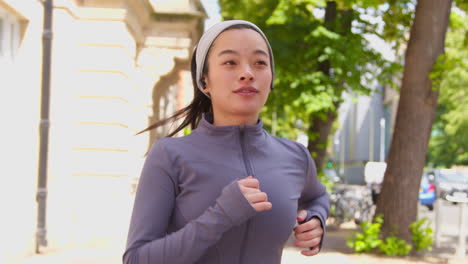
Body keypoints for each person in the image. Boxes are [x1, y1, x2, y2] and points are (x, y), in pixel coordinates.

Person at [123, 20, 330, 264]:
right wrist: (220, 215)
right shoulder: (169, 155)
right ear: (204, 82)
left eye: (260, 63)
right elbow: (136, 259)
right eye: (230, 62)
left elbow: (317, 195)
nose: (247, 73)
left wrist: (317, 218)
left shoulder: (295, 156)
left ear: (271, 79)